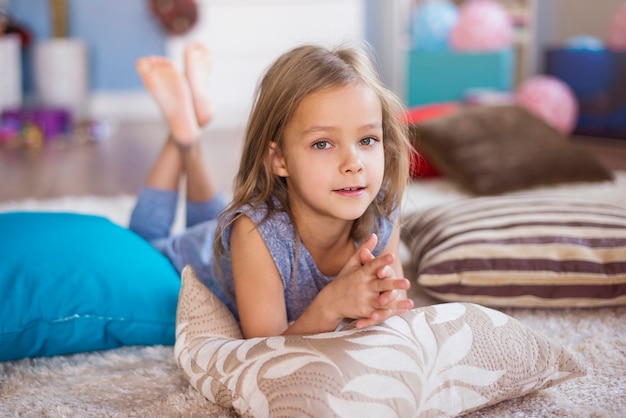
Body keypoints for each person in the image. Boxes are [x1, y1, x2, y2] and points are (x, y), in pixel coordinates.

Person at [130, 41, 414, 339]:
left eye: (367, 140)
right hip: (184, 260)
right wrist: (330, 307)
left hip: (218, 238)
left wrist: (385, 302)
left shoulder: (383, 211)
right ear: (279, 159)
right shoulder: (255, 232)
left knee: (211, 219)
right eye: (322, 143)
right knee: (144, 239)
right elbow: (263, 349)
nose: (354, 164)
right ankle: (182, 138)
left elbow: (392, 302)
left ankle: (188, 128)